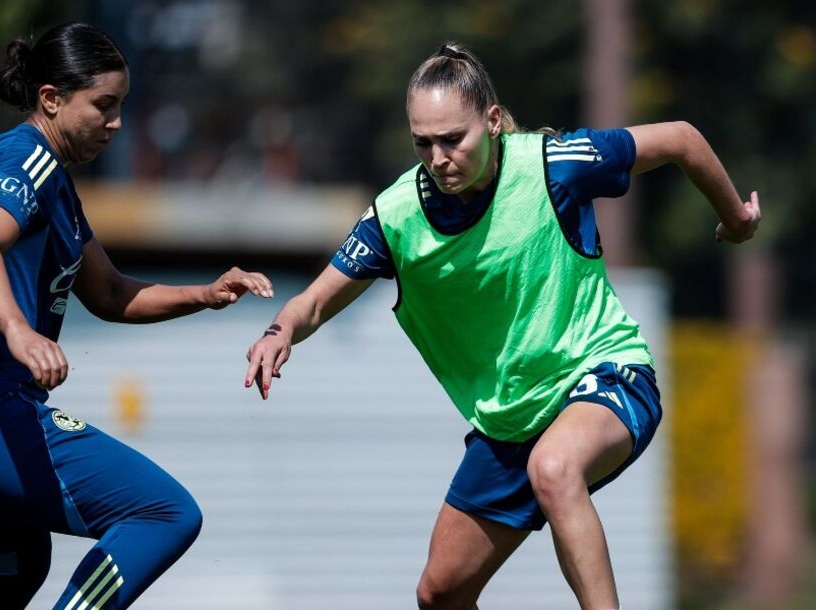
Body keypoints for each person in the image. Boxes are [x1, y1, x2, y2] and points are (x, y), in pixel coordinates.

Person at [245, 42, 761, 610]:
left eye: (453, 139)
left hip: (605, 376)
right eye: (423, 143)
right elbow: (313, 303)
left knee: (556, 467)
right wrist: (279, 333)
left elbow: (682, 138)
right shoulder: (396, 219)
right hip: (510, 424)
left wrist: (735, 217)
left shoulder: (554, 164)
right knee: (439, 593)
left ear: (492, 122)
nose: (439, 157)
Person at [0, 22, 273, 609]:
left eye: (122, 106)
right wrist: (19, 331)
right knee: (163, 512)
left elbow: (109, 293)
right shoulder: (24, 159)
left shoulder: (53, 183)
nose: (116, 123)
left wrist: (206, 294)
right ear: (52, 100)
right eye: (104, 106)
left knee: (15, 569)